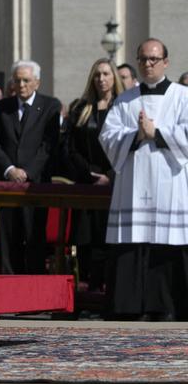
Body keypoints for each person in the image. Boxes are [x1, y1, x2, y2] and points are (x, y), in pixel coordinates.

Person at [100, 39, 188, 321]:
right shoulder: (125, 99)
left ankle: (169, 307)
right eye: (143, 59)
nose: (148, 64)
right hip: (133, 187)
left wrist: (156, 133)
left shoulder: (182, 96)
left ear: (166, 62)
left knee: (168, 245)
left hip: (170, 185)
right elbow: (107, 136)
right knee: (132, 245)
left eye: (153, 59)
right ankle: (129, 308)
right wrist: (136, 135)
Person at [0, 60, 62, 275]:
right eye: (17, 80)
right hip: (8, 183)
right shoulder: (3, 107)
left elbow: (49, 145)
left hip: (35, 185)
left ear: (37, 82)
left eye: (26, 80)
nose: (21, 85)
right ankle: (8, 283)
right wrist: (9, 169)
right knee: (9, 237)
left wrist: (28, 172)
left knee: (34, 236)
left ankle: (34, 284)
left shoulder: (50, 106)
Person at [61, 58, 125, 291]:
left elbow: (128, 145)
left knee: (108, 241)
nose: (101, 79)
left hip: (115, 185)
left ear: (114, 78)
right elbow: (70, 147)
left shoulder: (124, 106)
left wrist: (109, 175)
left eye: (106, 74)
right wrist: (89, 173)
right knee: (86, 240)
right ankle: (89, 289)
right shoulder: (81, 108)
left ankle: (110, 290)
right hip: (86, 183)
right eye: (97, 74)